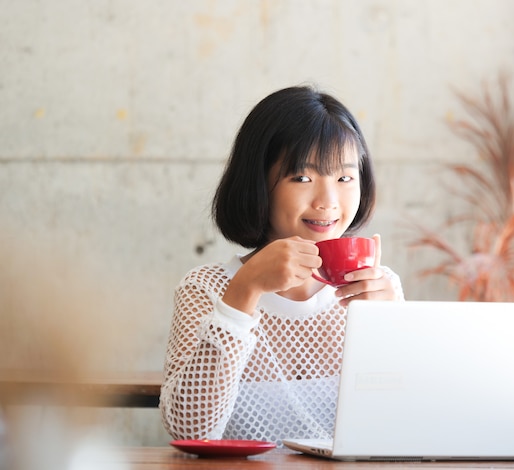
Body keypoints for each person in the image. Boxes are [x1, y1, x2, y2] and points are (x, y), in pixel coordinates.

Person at [159, 85, 404, 445]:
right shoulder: (205, 288)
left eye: (345, 178)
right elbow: (190, 431)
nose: (328, 201)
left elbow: (397, 432)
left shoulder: (380, 290)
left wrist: (389, 329)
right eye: (302, 178)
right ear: (259, 182)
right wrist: (243, 291)